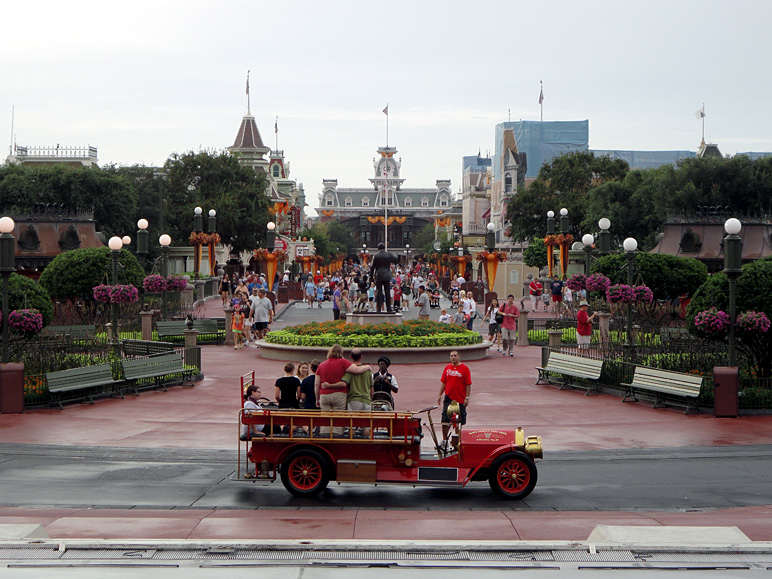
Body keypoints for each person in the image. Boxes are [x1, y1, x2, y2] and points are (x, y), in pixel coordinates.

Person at [315, 344, 370, 435]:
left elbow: (317, 384)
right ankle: (336, 436)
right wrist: (367, 367)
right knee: (338, 419)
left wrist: (317, 398)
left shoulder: (321, 365)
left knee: (325, 417)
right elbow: (357, 370)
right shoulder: (344, 362)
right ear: (341, 353)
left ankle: (324, 435)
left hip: (324, 395)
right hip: (339, 394)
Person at [436, 350, 472, 449]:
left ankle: (457, 441)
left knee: (458, 422)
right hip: (449, 398)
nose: (453, 357)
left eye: (455, 355)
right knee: (445, 420)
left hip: (460, 399)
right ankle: (445, 441)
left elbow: (468, 384)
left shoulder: (465, 369)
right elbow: (444, 382)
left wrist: (467, 398)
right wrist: (439, 395)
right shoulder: (447, 368)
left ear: (459, 356)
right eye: (451, 356)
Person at [369, 242, 398, 313]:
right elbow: (396, 259)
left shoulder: (376, 256)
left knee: (379, 291)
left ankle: (378, 308)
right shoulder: (388, 255)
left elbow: (372, 267)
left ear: (378, 248)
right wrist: (395, 254)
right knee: (387, 291)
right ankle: (389, 308)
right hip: (387, 275)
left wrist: (371, 277)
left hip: (379, 275)